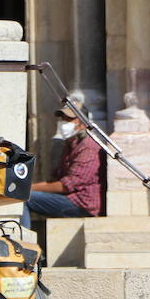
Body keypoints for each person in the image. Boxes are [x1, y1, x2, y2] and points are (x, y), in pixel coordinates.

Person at [21, 96, 100, 231]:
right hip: (69, 199)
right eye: (63, 119)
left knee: (23, 198)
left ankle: (23, 245)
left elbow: (66, 186)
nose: (64, 123)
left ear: (82, 123)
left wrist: (27, 188)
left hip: (82, 203)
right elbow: (56, 178)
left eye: (69, 119)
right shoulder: (71, 144)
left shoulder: (88, 147)